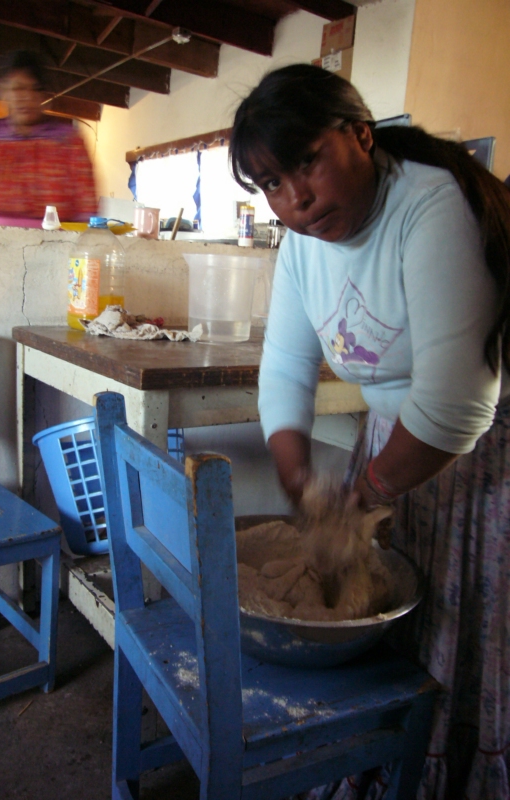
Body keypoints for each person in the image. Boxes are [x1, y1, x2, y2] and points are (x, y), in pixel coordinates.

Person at [229, 63, 510, 800]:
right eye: (270, 184)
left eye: (306, 163)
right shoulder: (303, 243)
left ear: (359, 134)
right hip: (397, 446)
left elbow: (456, 405)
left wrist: (362, 494)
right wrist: (299, 484)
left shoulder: (430, 206)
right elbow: (286, 365)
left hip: (480, 454)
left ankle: (451, 773)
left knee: (466, 630)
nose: (295, 199)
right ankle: (389, 765)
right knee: (400, 620)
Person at [0, 50, 97, 225]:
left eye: (36, 89)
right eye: (18, 88)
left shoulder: (69, 142)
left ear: (44, 96)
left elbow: (86, 212)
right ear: (2, 92)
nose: (27, 97)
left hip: (52, 247)